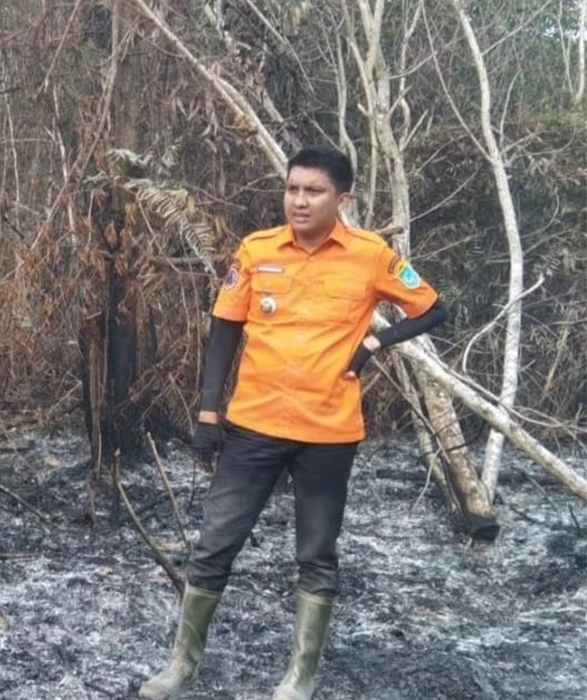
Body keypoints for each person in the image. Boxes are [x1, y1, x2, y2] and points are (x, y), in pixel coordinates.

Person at [140, 147, 449, 700]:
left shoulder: (371, 256)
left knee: (316, 556)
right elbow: (224, 328)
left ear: (342, 199)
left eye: (314, 191)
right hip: (253, 425)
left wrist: (376, 342)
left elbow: (432, 308)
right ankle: (181, 663)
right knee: (213, 546)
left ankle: (300, 676)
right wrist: (209, 411)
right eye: (293, 189)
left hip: (328, 432)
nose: (300, 201)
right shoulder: (257, 250)